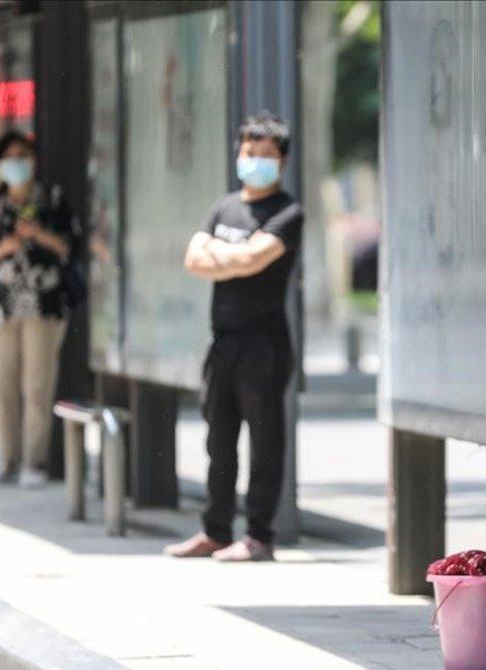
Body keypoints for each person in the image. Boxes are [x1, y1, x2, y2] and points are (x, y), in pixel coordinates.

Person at [166, 112, 303, 562]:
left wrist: (222, 255)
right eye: (249, 152)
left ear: (281, 161)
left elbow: (251, 260)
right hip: (221, 342)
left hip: (265, 345)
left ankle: (259, 535)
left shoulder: (287, 212)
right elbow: (193, 259)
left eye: (266, 155)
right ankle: (215, 529)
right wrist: (237, 255)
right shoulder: (223, 207)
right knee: (218, 440)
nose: (255, 161)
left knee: (264, 441)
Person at [0, 130, 79, 489]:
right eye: (9, 157)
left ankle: (34, 461)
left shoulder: (53, 201)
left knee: (37, 384)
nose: (17, 163)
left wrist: (38, 234)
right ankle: (7, 457)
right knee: (0, 384)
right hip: (2, 309)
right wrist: (5, 246)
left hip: (43, 307)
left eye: (23, 155)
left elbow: (71, 247)